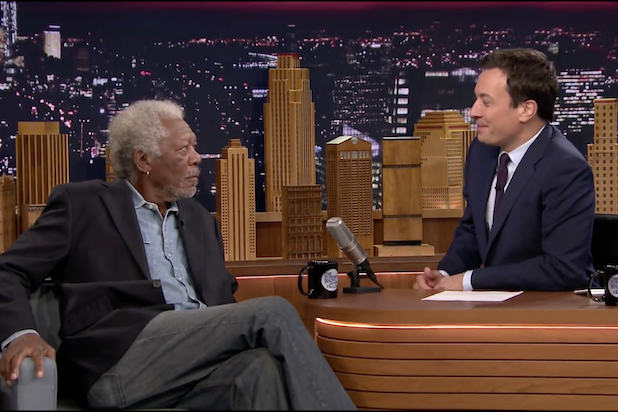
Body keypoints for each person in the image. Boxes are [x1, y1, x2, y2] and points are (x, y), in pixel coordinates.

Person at [0, 100, 357, 410]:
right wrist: (21, 334)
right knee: (273, 312)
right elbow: (8, 271)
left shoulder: (200, 220)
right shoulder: (83, 206)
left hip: (191, 366)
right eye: (183, 149)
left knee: (260, 368)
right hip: (119, 364)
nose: (197, 158)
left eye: (195, 147)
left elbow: (222, 303)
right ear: (144, 159)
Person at [415, 48, 595, 292]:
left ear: (526, 110)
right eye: (476, 99)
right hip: (495, 303)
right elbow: (473, 229)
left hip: (550, 307)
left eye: (486, 102)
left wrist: (469, 281)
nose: (474, 111)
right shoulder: (481, 152)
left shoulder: (565, 169)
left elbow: (562, 269)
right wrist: (445, 274)